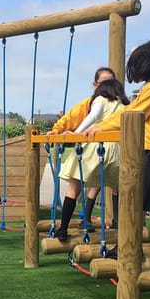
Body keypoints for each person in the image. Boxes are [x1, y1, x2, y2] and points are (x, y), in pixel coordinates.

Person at [84, 41, 150, 215]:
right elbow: (147, 116)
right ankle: (128, 239)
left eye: (137, 66)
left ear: (147, 65)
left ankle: (129, 241)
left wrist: (102, 128)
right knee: (133, 199)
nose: (134, 71)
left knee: (136, 200)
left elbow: (132, 114)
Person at [48, 76, 129, 241]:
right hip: (116, 150)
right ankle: (118, 225)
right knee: (119, 187)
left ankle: (62, 229)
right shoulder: (123, 105)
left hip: (95, 147)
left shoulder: (100, 99)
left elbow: (93, 116)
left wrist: (77, 133)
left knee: (74, 187)